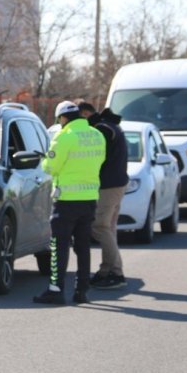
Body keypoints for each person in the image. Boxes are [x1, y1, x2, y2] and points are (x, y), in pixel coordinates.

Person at [34, 100, 105, 305]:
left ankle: (56, 290)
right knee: (83, 246)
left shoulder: (64, 137)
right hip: (90, 198)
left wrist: (45, 159)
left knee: (59, 246)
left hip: (66, 200)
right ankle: (82, 290)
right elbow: (100, 161)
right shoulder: (97, 135)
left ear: (62, 118)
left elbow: (51, 167)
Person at [78, 101, 129, 289]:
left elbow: (97, 157)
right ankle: (106, 270)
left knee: (100, 226)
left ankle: (116, 273)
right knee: (108, 228)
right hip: (116, 183)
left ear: (84, 113)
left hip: (109, 185)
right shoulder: (110, 125)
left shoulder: (102, 129)